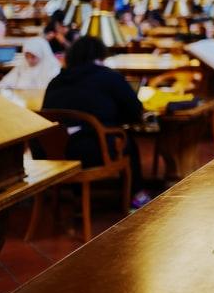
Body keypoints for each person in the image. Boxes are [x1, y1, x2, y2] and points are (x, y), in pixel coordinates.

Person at [42, 37, 151, 209]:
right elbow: (134, 111)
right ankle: (136, 196)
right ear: (100, 56)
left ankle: (79, 198)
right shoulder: (109, 77)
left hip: (55, 152)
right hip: (94, 151)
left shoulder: (55, 81)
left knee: (85, 137)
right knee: (127, 143)